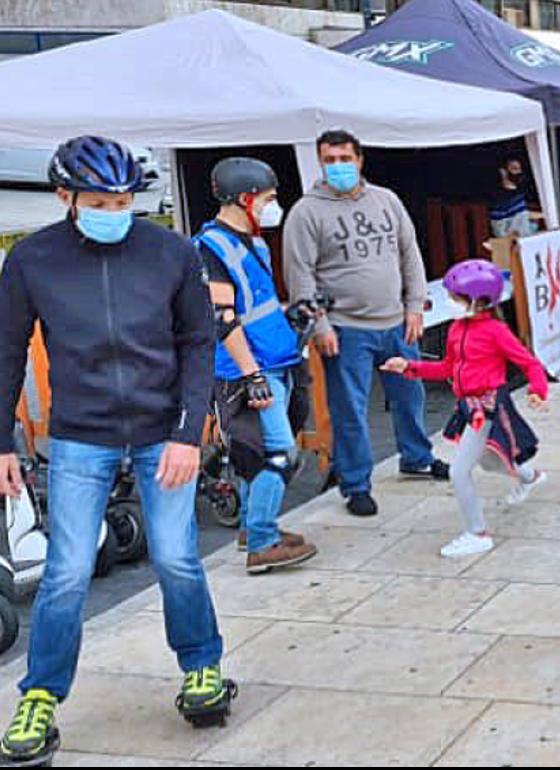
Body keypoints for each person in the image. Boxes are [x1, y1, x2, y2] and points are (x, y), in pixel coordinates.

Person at [0, 136, 228, 764]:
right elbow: (7, 351)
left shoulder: (170, 251)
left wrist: (188, 434)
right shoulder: (32, 260)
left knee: (178, 558)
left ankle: (202, 667)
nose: (114, 209)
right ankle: (41, 694)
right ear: (65, 197)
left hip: (163, 433)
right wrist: (2, 443)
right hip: (79, 435)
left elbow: (197, 343)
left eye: (124, 199)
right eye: (99, 199)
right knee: (67, 572)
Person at [283, 129, 448, 519]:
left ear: (360, 160)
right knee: (350, 410)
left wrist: (414, 307)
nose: (338, 166)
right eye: (330, 160)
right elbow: (300, 274)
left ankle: (416, 457)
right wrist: (319, 326)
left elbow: (410, 254)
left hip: (395, 321)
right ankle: (355, 483)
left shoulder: (386, 200)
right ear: (321, 163)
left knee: (410, 395)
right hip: (345, 327)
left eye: (344, 159)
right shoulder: (306, 212)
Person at [195, 157, 318, 574]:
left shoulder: (256, 241)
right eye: (267, 199)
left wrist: (292, 316)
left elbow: (256, 306)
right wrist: (253, 376)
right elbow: (222, 317)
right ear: (246, 198)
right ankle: (263, 542)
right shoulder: (211, 247)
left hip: (275, 359)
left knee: (257, 451)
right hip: (247, 371)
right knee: (280, 456)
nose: (272, 206)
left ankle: (253, 526)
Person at [381, 260, 548, 558]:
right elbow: (447, 367)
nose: (450, 302)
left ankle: (478, 532)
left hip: (489, 407)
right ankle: (530, 476)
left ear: (478, 301)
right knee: (490, 461)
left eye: (455, 298)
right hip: (468, 407)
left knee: (459, 472)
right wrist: (409, 366)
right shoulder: (457, 328)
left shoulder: (496, 332)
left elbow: (529, 363)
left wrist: (538, 390)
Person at [488, 156, 541, 238]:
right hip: (511, 245)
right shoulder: (499, 199)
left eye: (519, 169)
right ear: (503, 172)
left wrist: (533, 226)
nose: (519, 172)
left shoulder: (520, 193)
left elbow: (523, 219)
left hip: (526, 240)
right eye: (514, 168)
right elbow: (498, 229)